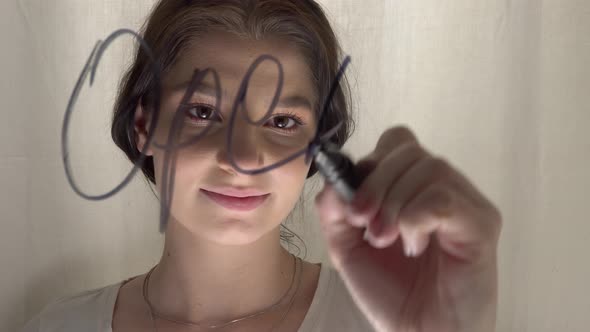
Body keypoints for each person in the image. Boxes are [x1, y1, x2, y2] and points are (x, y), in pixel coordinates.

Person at [21, 1, 502, 331]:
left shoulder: (381, 323)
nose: (245, 158)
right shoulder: (58, 326)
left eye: (283, 120)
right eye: (203, 111)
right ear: (145, 125)